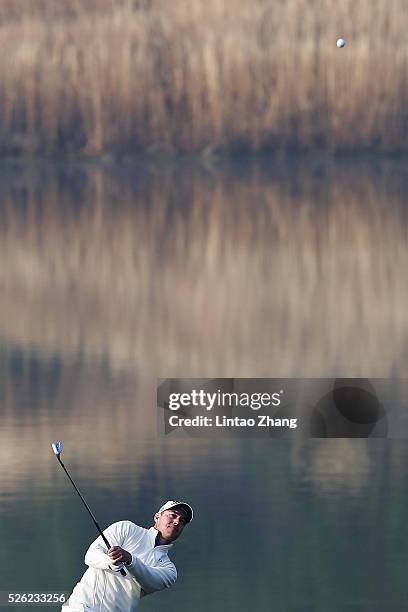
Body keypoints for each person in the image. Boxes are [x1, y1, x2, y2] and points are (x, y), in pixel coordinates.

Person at [63, 500, 193, 612]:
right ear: (157, 516)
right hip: (81, 607)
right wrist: (111, 561)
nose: (176, 522)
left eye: (182, 521)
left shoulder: (169, 570)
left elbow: (150, 580)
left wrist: (130, 560)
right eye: (172, 515)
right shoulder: (126, 528)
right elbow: (90, 556)